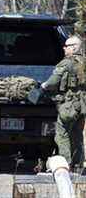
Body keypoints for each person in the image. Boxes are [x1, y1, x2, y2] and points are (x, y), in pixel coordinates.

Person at [36, 35, 86, 170]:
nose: (64, 48)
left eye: (67, 46)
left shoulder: (67, 63)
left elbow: (53, 81)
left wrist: (42, 87)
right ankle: (78, 165)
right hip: (82, 105)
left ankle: (65, 164)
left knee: (62, 134)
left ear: (75, 47)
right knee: (77, 135)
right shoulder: (84, 63)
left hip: (69, 105)